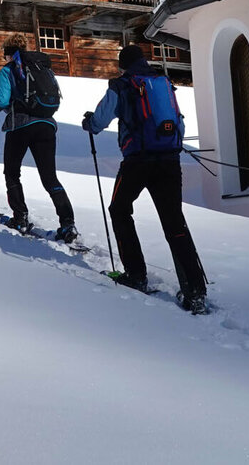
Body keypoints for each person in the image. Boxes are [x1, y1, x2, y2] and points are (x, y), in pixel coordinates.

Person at [82, 44, 208, 314]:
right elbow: (179, 123)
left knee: (119, 209)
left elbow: (100, 119)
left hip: (138, 161)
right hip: (170, 160)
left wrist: (89, 122)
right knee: (174, 222)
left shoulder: (122, 84)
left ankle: (136, 274)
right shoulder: (162, 83)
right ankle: (195, 291)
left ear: (122, 65)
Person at [0, 35, 78, 241]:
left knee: (12, 172)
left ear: (8, 52)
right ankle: (68, 224)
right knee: (49, 177)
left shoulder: (9, 70)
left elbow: (0, 102)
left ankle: (20, 217)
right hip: (47, 125)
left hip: (21, 126)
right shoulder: (43, 67)